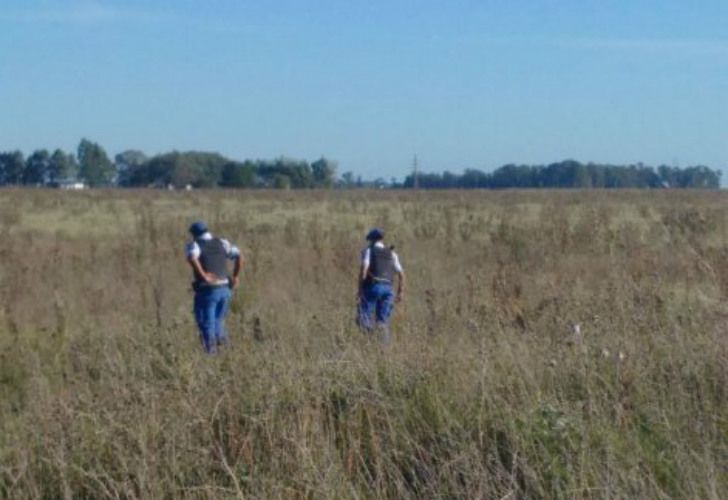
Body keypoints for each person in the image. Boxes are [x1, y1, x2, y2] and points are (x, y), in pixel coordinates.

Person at [185, 221, 243, 353]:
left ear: (193, 234)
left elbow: (192, 258)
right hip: (225, 290)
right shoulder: (222, 242)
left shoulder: (195, 245)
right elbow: (239, 255)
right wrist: (235, 276)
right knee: (218, 323)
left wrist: (204, 276)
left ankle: (211, 357)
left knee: (206, 325)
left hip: (208, 291)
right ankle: (228, 356)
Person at [357, 228, 405, 343]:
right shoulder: (392, 253)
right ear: (382, 240)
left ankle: (371, 337)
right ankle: (383, 349)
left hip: (373, 287)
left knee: (363, 318)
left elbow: (364, 270)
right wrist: (400, 292)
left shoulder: (369, 251)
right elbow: (402, 275)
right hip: (388, 290)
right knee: (382, 322)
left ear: (371, 240)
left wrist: (360, 290)